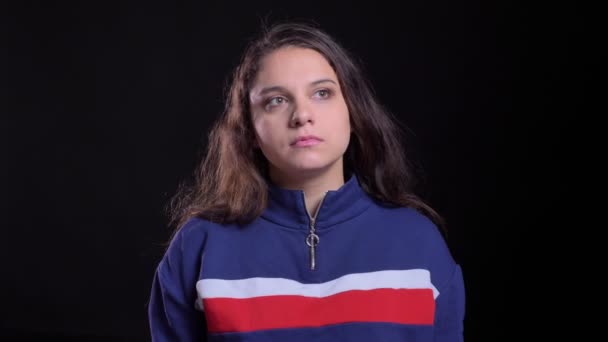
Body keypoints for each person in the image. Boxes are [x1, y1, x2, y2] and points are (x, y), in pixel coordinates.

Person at [148, 21, 465, 341]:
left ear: (353, 112)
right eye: (276, 100)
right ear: (249, 130)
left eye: (322, 93)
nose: (302, 114)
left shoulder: (418, 242)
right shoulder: (200, 246)